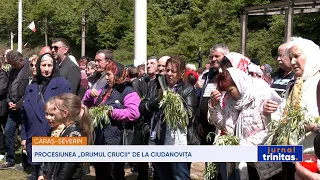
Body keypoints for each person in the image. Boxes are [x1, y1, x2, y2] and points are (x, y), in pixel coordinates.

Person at [209, 67, 282, 180]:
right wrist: (214, 106)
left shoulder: (262, 95)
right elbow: (222, 125)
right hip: (245, 161)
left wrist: (243, 145)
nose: (228, 94)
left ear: (239, 84)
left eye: (230, 90)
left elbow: (272, 129)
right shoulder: (231, 100)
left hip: (265, 162)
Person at [263, 37, 320, 180]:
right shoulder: (293, 86)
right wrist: (269, 113)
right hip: (291, 156)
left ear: (312, 55)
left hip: (313, 160)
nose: (293, 62)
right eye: (291, 57)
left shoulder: (318, 83)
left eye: (297, 56)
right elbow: (281, 121)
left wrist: (316, 127)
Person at [82, 61, 141, 180]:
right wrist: (89, 95)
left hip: (116, 141)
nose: (106, 78)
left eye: (109, 74)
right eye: (105, 74)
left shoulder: (128, 91)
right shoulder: (105, 90)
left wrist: (111, 112)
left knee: (114, 173)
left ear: (117, 74)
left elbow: (134, 113)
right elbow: (87, 105)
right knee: (101, 173)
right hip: (100, 141)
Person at [20, 53, 72, 180]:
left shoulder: (62, 84)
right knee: (37, 172)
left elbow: (69, 111)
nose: (46, 69)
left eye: (50, 65)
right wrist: (24, 137)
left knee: (49, 174)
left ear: (54, 67)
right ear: (38, 66)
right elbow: (24, 114)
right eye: (43, 65)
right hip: (34, 137)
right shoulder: (31, 87)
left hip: (53, 138)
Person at [151, 56, 196, 180]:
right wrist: (155, 102)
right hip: (160, 140)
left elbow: (190, 114)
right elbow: (144, 107)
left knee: (180, 176)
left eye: (173, 71)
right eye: (168, 70)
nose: (169, 74)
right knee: (163, 176)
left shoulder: (188, 89)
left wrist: (173, 103)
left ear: (181, 73)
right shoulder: (159, 87)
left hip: (178, 143)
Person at [43, 93, 92, 180]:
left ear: (65, 113)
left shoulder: (74, 135)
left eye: (55, 109)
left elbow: (67, 167)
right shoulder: (66, 130)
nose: (52, 112)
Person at [0, 51, 30, 169]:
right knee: (8, 131)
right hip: (12, 108)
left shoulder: (29, 70)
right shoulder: (13, 70)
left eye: (14, 64)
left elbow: (29, 91)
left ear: (21, 60)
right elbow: (8, 87)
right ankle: (10, 159)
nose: (12, 67)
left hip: (24, 108)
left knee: (25, 135)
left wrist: (18, 104)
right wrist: (9, 100)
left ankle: (25, 162)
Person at [0, 56, 9, 160]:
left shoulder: (3, 76)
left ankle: (4, 150)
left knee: (6, 129)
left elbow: (1, 89)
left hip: (2, 108)